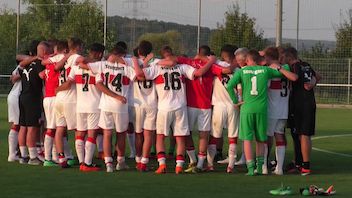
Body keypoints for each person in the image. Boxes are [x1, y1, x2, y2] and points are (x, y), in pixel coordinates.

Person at [134, 46, 216, 174]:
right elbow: (199, 73)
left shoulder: (157, 67)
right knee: (180, 138)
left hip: (164, 107)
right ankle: (179, 166)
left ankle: (162, 165)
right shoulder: (182, 67)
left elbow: (139, 74)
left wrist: (135, 61)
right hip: (180, 107)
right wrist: (211, 61)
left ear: (162, 56)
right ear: (172, 54)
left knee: (160, 137)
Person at [226, 50, 297, 176]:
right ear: (259, 60)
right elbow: (284, 71)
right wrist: (278, 65)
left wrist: (236, 100)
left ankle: (250, 169)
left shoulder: (242, 71)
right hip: (262, 109)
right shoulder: (266, 71)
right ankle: (260, 167)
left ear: (247, 61)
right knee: (261, 139)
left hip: (247, 108)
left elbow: (230, 85)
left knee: (247, 140)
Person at [57, 43, 105, 172]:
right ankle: (87, 164)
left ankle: (82, 161)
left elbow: (68, 83)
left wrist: (58, 89)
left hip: (80, 105)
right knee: (91, 134)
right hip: (94, 105)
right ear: (100, 54)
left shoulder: (76, 67)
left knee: (80, 134)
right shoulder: (99, 67)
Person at [90, 47, 136, 173]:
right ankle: (120, 162)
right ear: (123, 55)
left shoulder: (103, 66)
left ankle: (108, 163)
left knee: (107, 133)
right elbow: (138, 76)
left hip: (106, 104)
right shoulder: (127, 68)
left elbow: (98, 84)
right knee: (121, 134)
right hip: (121, 105)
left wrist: (113, 95)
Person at [282, 47, 319, 176]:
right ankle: (298, 162)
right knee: (299, 134)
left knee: (303, 135)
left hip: (301, 105)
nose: (282, 61)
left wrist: (279, 68)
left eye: (283, 58)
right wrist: (312, 83)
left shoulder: (295, 66)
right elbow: (317, 76)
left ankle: (305, 166)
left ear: (289, 57)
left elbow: (294, 78)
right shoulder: (306, 65)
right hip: (308, 103)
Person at [207, 44, 240, 173]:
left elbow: (218, 68)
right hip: (233, 105)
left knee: (215, 135)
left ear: (223, 55)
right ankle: (230, 166)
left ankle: (210, 164)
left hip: (219, 105)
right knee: (233, 137)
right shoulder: (239, 70)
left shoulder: (217, 66)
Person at [18, 41, 49, 165]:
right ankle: (33, 157)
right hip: (32, 98)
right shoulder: (38, 63)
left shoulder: (27, 63)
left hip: (23, 96)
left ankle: (23, 155)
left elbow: (20, 64)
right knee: (32, 128)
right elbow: (42, 76)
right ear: (45, 52)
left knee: (23, 126)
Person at [54, 37, 83, 168]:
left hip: (59, 98)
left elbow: (56, 67)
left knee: (60, 129)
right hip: (70, 99)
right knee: (79, 129)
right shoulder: (76, 56)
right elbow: (83, 61)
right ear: (77, 46)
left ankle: (61, 158)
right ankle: (83, 160)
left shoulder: (63, 58)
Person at [262, 47, 291, 175]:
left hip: (272, 109)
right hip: (284, 108)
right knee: (279, 136)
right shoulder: (286, 68)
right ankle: (279, 168)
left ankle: (263, 166)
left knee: (266, 137)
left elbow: (266, 86)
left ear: (268, 58)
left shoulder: (269, 70)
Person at [129, 41, 158, 171]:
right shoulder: (157, 63)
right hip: (152, 103)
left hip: (138, 104)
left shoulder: (132, 63)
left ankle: (138, 159)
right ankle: (144, 162)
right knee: (148, 134)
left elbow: (137, 76)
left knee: (138, 134)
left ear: (139, 52)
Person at [7, 64, 22, 162]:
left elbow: (11, 78)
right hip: (17, 96)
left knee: (18, 125)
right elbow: (13, 78)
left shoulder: (20, 65)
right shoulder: (25, 65)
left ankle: (15, 152)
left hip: (14, 96)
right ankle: (12, 154)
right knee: (17, 125)